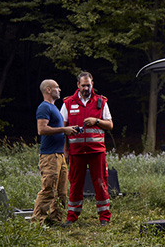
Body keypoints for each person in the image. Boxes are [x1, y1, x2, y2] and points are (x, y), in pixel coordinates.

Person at [61, 71, 114, 226]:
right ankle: (72, 217)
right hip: (76, 152)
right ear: (78, 85)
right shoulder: (68, 103)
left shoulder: (101, 102)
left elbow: (110, 125)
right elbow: (62, 130)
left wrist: (96, 120)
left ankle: (104, 217)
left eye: (88, 85)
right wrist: (65, 151)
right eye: (83, 85)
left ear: (92, 84)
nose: (86, 88)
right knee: (75, 183)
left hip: (96, 151)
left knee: (100, 183)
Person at [32, 79, 77, 225]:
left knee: (61, 192)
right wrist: (64, 129)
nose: (60, 90)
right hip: (49, 155)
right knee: (48, 190)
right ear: (49, 90)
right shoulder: (44, 107)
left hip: (59, 155)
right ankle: (37, 223)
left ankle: (56, 221)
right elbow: (42, 129)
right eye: (57, 88)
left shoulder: (54, 108)